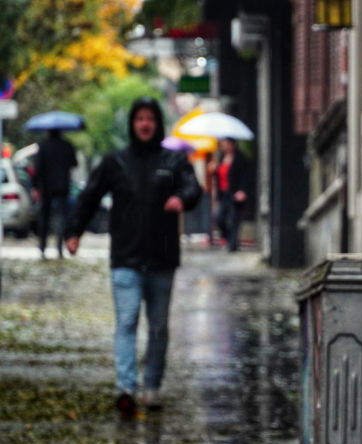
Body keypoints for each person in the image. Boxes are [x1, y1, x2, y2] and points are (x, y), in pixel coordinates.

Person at [65, 97, 202, 417]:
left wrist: (182, 198)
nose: (145, 124)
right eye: (139, 118)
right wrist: (74, 231)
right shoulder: (116, 162)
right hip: (125, 258)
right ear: (132, 124)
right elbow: (89, 197)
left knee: (158, 327)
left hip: (162, 258)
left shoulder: (173, 160)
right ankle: (126, 387)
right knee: (126, 322)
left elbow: (193, 187)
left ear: (157, 123)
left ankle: (152, 387)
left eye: (150, 118)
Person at [35, 129, 78, 259]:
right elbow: (74, 163)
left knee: (45, 217)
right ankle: (59, 246)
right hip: (62, 185)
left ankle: (43, 247)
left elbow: (38, 167)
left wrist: (35, 185)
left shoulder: (43, 146)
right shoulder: (67, 145)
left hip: (46, 186)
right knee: (62, 217)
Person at [212, 138, 248, 251]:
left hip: (234, 192)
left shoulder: (239, 158)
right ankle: (229, 239)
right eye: (223, 144)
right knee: (218, 217)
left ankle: (232, 244)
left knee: (234, 219)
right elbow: (219, 175)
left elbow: (245, 175)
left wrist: (242, 190)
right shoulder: (221, 157)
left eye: (226, 144)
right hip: (223, 193)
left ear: (232, 144)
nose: (224, 146)